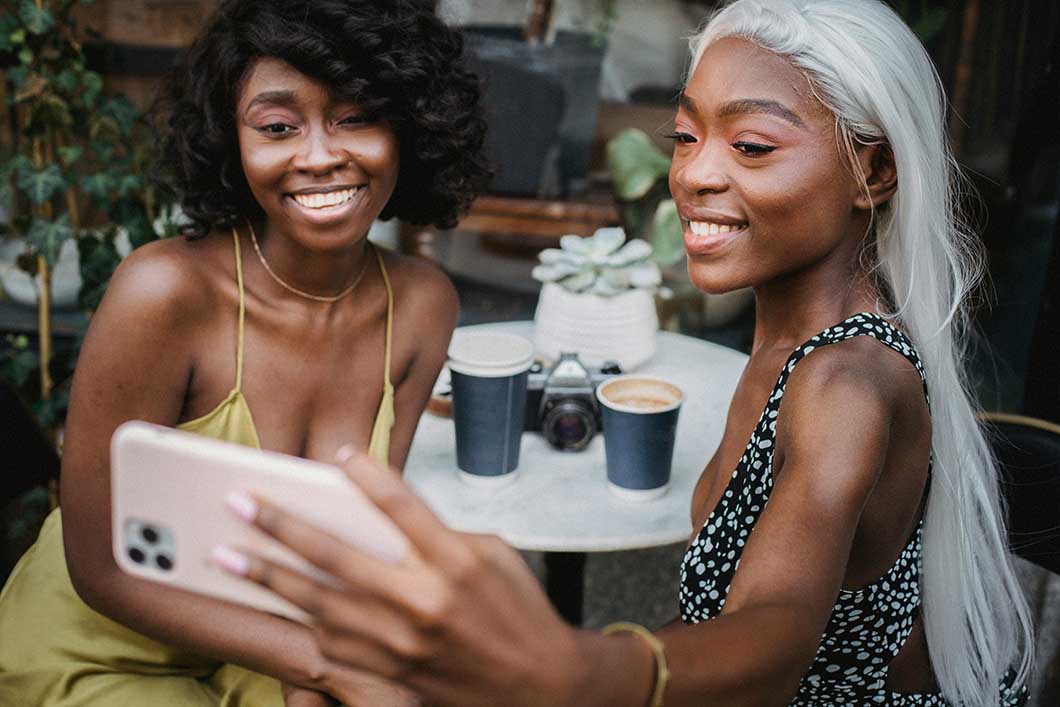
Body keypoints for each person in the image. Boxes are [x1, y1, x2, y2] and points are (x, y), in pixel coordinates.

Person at [218, 1, 1036, 705]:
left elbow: (777, 634)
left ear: (875, 170)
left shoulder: (846, 382)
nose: (694, 174)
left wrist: (574, 665)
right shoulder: (791, 348)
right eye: (685, 134)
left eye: (751, 146)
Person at [0, 1, 488, 706]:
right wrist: (325, 665)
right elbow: (99, 565)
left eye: (356, 117)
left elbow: (356, 544)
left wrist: (324, 674)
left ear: (412, 125)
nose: (320, 155)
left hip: (272, 644)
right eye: (278, 126)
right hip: (104, 650)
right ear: (232, 140)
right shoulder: (165, 295)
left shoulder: (422, 305)